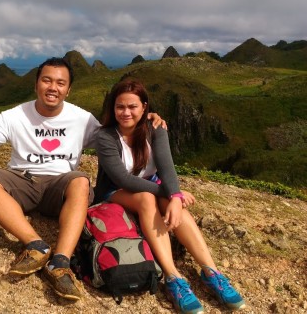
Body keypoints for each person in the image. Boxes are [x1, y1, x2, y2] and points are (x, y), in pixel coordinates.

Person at [0, 57, 164, 301]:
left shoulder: (82, 119)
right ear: (36, 83)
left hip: (61, 186)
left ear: (68, 90)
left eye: (60, 83)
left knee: (80, 181)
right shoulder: (15, 116)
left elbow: (116, 137)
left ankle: (60, 261)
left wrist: (147, 119)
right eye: (47, 80)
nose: (53, 87)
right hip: (22, 181)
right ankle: (36, 245)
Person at [94, 78, 245, 314]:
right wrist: (172, 193)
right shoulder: (105, 136)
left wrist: (174, 196)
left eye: (132, 106)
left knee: (172, 203)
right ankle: (173, 277)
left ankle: (211, 272)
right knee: (148, 198)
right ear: (112, 109)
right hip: (115, 191)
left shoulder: (156, 129)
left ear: (144, 107)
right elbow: (123, 179)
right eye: (119, 106)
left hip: (152, 184)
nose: (125, 112)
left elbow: (166, 166)